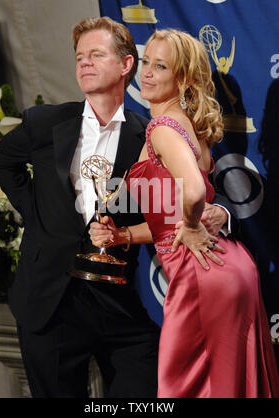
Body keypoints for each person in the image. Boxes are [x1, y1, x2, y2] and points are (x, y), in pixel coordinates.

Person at [0, 17, 236, 398]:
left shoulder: (148, 133)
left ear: (125, 65)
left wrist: (220, 213)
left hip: (117, 303)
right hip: (48, 304)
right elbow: (4, 160)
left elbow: (182, 201)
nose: (84, 63)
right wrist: (36, 214)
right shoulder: (45, 123)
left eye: (96, 54)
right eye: (79, 57)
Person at [90, 29, 279, 398]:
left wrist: (192, 224)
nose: (146, 72)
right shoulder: (192, 128)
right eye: (146, 62)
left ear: (183, 79)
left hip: (201, 274)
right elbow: (168, 222)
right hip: (229, 268)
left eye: (160, 66)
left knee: (183, 389)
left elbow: (192, 193)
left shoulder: (162, 129)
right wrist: (122, 236)